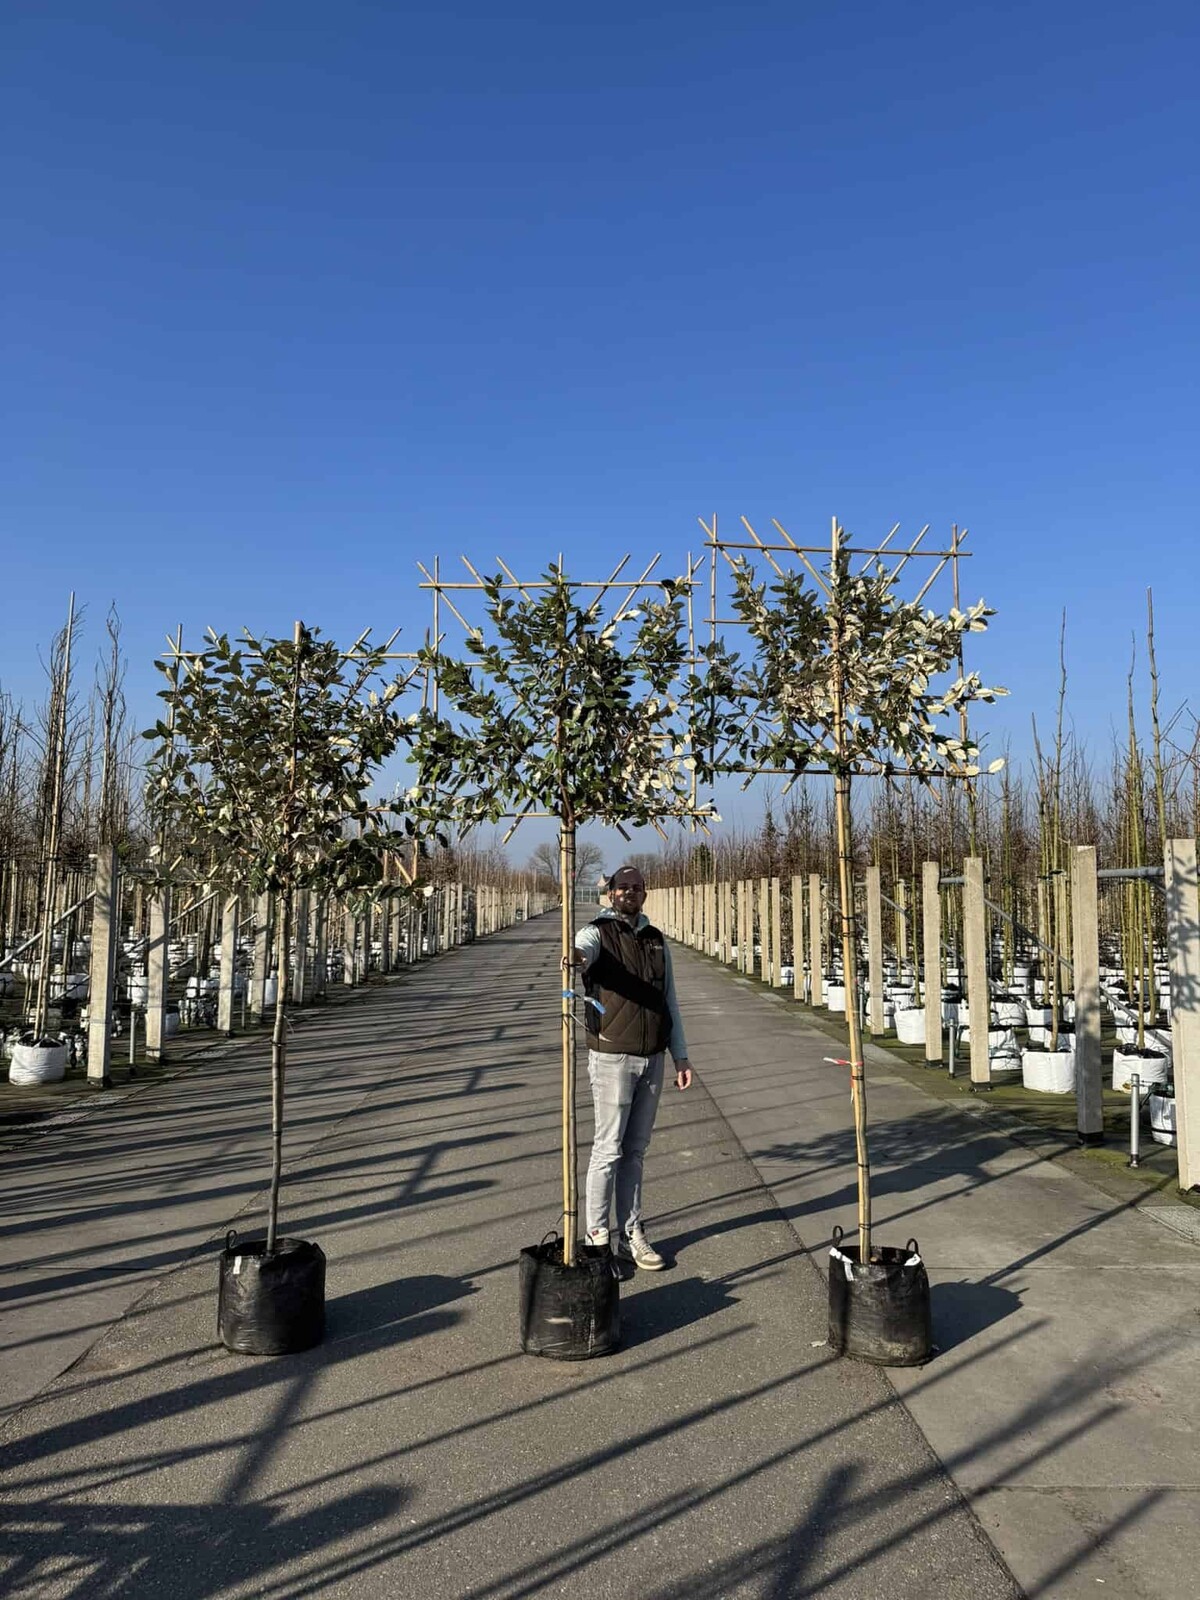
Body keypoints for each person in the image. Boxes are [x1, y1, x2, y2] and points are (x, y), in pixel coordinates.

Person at [569, 865, 693, 1269]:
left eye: (637, 887)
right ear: (611, 893)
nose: (630, 893)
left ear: (645, 893)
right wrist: (576, 957)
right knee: (608, 1149)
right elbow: (582, 950)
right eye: (623, 887)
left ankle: (631, 1233)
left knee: (635, 1151)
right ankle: (597, 1238)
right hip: (612, 1056)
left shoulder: (656, 939)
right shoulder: (598, 932)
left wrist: (680, 1055)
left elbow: (669, 999)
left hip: (652, 1057)